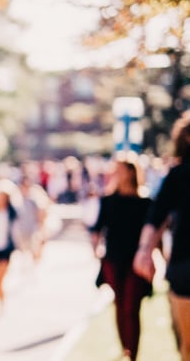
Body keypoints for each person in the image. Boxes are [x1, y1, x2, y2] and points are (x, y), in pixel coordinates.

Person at [134, 111, 190, 361]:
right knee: (187, 342)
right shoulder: (178, 175)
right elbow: (155, 217)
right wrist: (144, 251)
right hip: (185, 266)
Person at [90, 159, 152, 361]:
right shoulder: (108, 200)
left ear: (132, 174)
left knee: (131, 306)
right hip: (113, 259)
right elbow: (98, 228)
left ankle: (133, 352)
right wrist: (95, 250)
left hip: (135, 260)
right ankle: (125, 348)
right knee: (119, 303)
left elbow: (152, 232)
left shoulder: (145, 202)